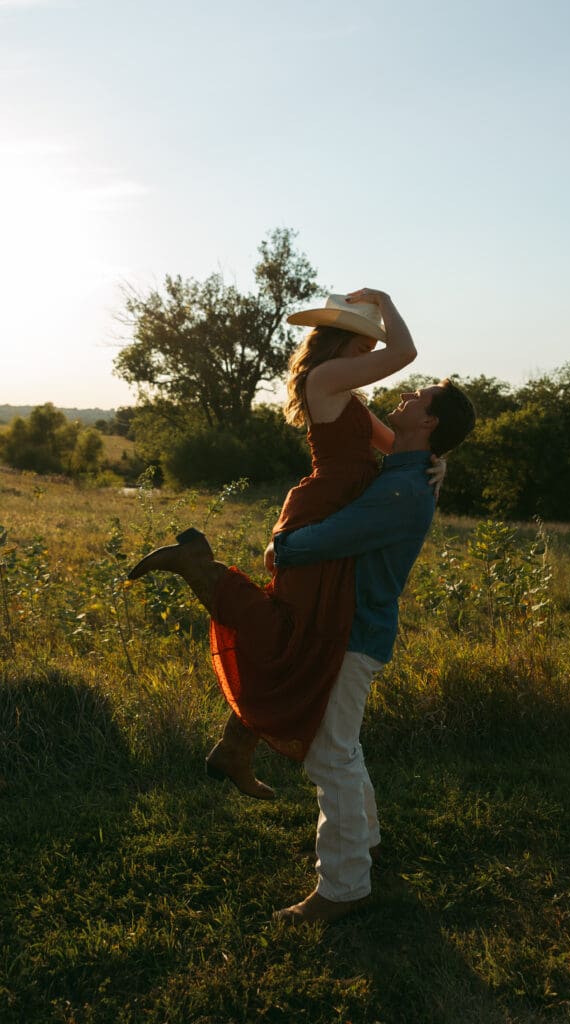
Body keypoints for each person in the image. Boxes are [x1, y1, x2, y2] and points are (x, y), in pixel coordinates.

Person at [128, 378, 476, 923]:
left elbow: (336, 534)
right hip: (349, 627)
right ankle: (365, 842)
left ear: (429, 423)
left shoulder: (404, 489)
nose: (405, 397)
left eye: (418, 398)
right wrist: (440, 464)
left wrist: (281, 546)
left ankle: (343, 888)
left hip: (351, 634)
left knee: (329, 757)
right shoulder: (407, 474)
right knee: (343, 746)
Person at [129, 290, 445, 800]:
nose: (371, 361)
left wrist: (436, 463)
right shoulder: (325, 378)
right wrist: (385, 299)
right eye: (366, 350)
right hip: (323, 513)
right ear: (346, 341)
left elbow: (397, 447)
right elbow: (406, 354)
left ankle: (234, 749)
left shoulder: (346, 390)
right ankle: (197, 567)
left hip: (341, 516)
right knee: (289, 631)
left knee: (299, 635)